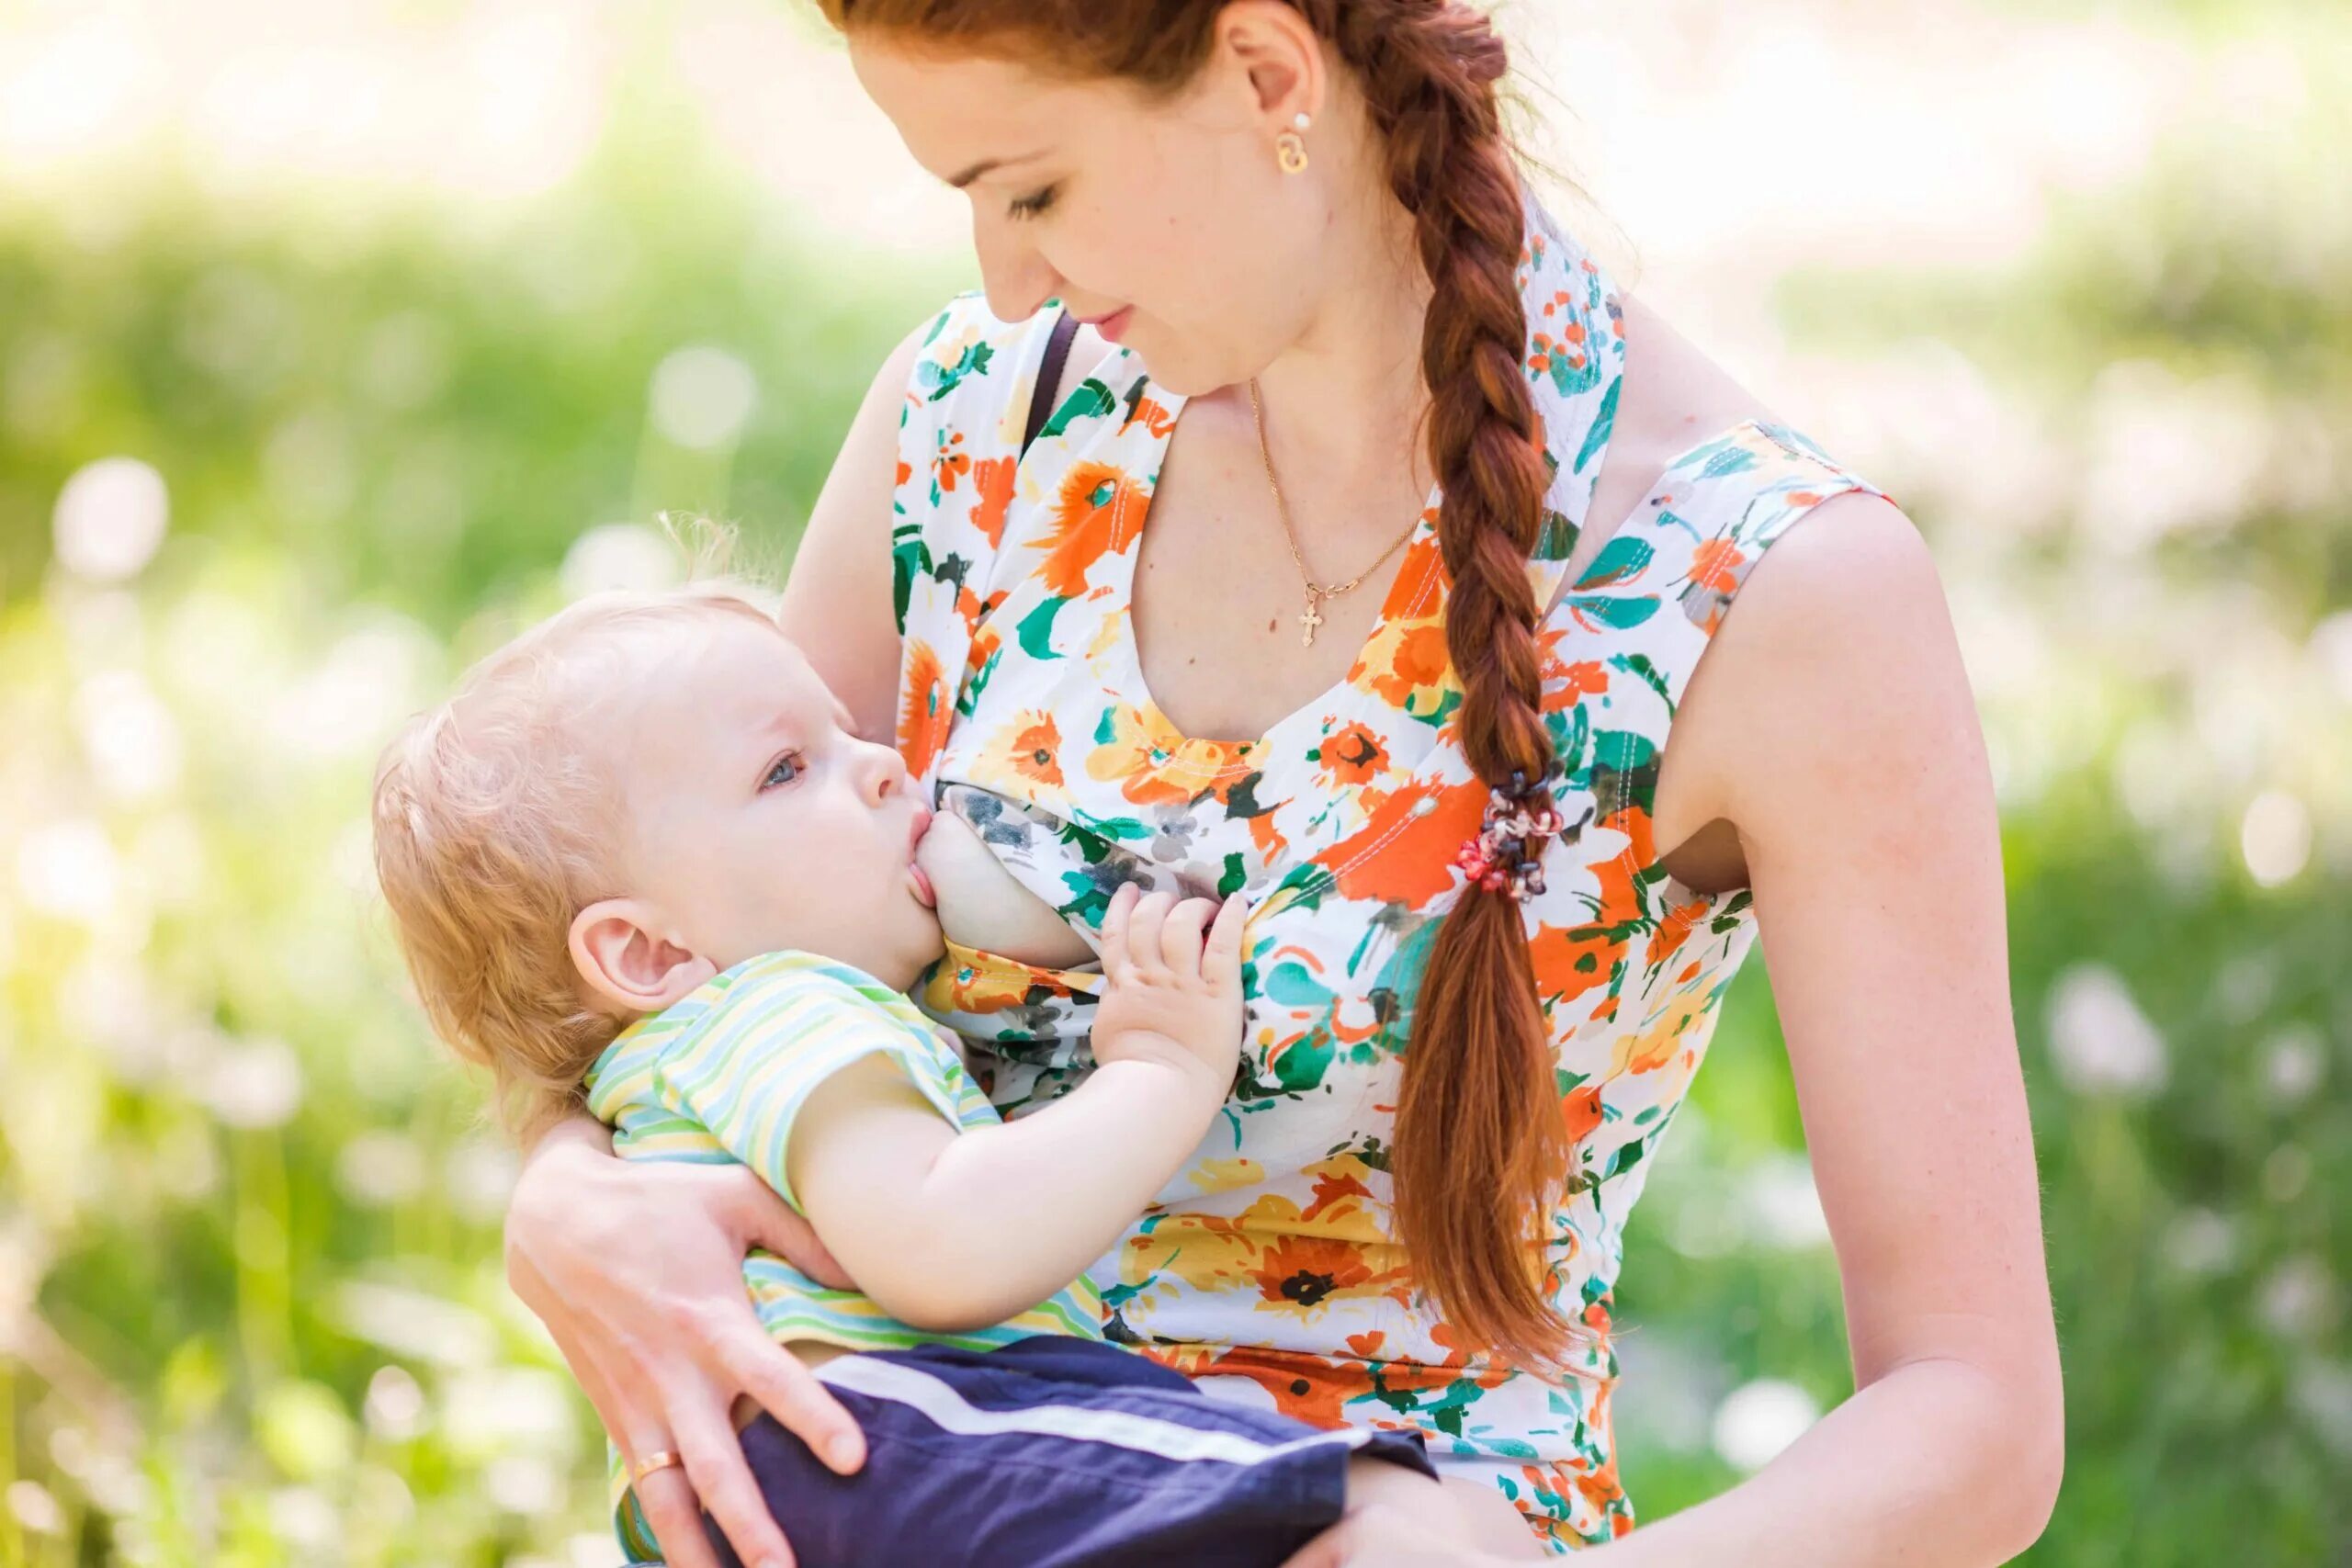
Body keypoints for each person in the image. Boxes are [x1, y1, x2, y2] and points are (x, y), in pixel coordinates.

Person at [503, 5, 2064, 1564]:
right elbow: (672, 947)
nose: (1005, 275)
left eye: (1032, 190)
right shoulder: (979, 419)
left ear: (1267, 74)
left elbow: (1971, 1416)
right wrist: (567, 1197)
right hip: (934, 1498)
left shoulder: (1761, 584)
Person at [370, 580, 1525, 1564]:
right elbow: (942, 1244)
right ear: (651, 950)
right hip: (890, 1436)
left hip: (827, 1474)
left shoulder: (667, 1070)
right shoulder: (785, 1010)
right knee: (1386, 1515)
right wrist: (1161, 1070)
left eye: (841, 733)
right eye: (786, 770)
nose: (882, 766)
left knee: (1461, 1526)